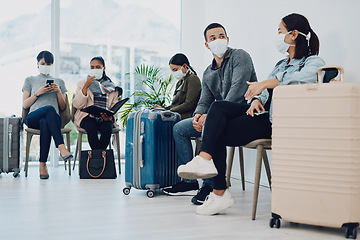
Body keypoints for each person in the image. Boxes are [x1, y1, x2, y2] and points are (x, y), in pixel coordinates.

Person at [177, 13, 326, 215]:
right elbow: (263, 92)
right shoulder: (280, 65)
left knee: (217, 114)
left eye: (280, 31)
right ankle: (218, 190)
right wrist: (257, 99)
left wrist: (266, 84)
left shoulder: (313, 62)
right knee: (217, 113)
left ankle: (212, 177)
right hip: (259, 114)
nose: (278, 36)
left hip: (278, 123)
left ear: (294, 34)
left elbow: (303, 79)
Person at [163, 23, 258, 204]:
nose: (218, 41)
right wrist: (198, 115)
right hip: (218, 114)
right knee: (179, 128)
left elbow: (237, 93)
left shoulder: (240, 57)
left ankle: (209, 185)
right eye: (213, 38)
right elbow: (205, 100)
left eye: (221, 36)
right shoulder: (208, 73)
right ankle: (189, 182)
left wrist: (210, 117)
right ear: (207, 45)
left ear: (227, 39)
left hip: (242, 112)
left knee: (212, 125)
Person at [22, 50, 73, 179]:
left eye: (48, 63)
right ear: (37, 64)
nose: (46, 65)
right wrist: (38, 93)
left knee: (45, 120)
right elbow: (25, 105)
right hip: (33, 117)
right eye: (43, 63)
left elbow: (62, 107)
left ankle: (42, 165)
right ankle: (61, 147)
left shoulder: (59, 82)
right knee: (49, 109)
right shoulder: (30, 80)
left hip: (52, 120)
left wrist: (57, 92)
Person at [73, 56, 121, 150]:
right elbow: (77, 104)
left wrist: (109, 117)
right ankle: (100, 159)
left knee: (107, 127)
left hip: (105, 118)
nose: (95, 69)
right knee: (91, 126)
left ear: (104, 68)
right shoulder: (83, 83)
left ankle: (97, 159)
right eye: (92, 67)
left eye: (98, 67)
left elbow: (115, 109)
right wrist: (85, 89)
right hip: (87, 116)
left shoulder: (112, 87)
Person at [155, 53, 201, 120]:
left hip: (186, 117)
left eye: (175, 70)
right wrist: (164, 109)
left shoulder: (193, 79)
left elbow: (189, 104)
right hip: (177, 115)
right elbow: (175, 105)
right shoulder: (179, 83)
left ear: (184, 66)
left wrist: (169, 111)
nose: (174, 72)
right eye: (172, 70)